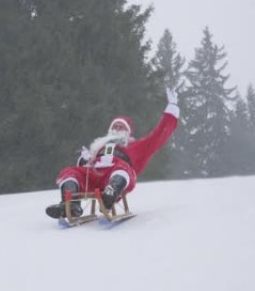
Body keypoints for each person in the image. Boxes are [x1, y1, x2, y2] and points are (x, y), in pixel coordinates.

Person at [45, 88, 180, 219]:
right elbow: (84, 165)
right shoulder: (99, 146)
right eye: (115, 126)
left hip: (114, 174)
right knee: (69, 172)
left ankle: (111, 194)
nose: (117, 128)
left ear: (127, 132)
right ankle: (70, 205)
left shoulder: (135, 146)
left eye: (121, 127)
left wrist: (172, 110)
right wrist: (85, 160)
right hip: (94, 174)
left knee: (121, 169)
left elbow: (159, 135)